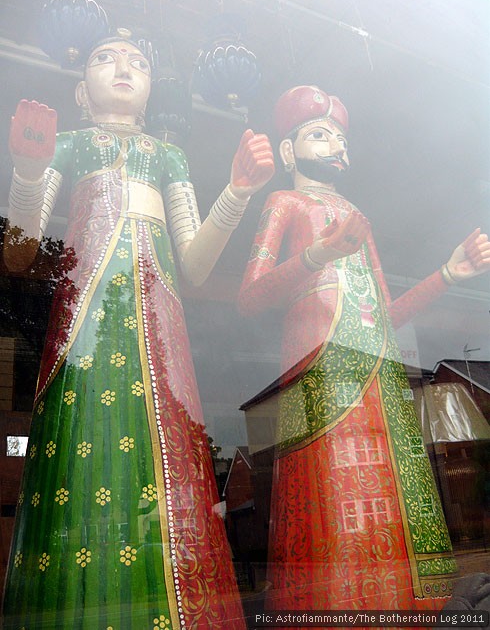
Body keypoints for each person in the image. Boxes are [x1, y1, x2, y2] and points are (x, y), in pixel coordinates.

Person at [2, 32, 273, 629]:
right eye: (104, 57)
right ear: (80, 90)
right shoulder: (67, 145)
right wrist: (27, 171)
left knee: (170, 457)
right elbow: (19, 255)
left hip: (161, 323)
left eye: (139, 62)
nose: (123, 68)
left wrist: (237, 193)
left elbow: (196, 264)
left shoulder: (166, 156)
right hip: (84, 328)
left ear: (151, 91)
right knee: (80, 454)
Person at [238, 85, 490, 613]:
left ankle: (404, 606)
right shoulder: (283, 201)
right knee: (331, 490)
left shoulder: (356, 214)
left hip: (374, 369)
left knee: (387, 491)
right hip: (319, 367)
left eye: (337, 136)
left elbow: (385, 315)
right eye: (317, 133)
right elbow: (250, 297)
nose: (332, 144)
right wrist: (317, 256)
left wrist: (447, 275)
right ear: (287, 152)